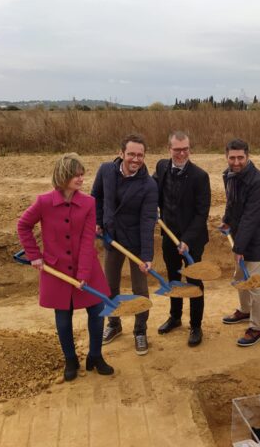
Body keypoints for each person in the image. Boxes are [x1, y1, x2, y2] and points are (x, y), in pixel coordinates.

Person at [17, 153, 114, 381]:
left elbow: (88, 239)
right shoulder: (44, 202)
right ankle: (70, 360)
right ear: (63, 176)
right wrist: (34, 255)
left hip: (86, 266)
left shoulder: (89, 203)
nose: (81, 179)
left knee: (98, 312)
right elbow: (23, 226)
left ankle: (95, 356)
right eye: (76, 175)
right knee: (63, 317)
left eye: (82, 175)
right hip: (56, 269)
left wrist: (83, 273)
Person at [91, 134, 158, 355]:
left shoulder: (148, 185)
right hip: (112, 238)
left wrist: (147, 256)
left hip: (137, 242)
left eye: (140, 155)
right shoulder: (106, 171)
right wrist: (98, 222)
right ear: (121, 154)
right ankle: (114, 324)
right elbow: (96, 198)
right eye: (131, 154)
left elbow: (148, 220)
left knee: (140, 289)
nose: (135, 159)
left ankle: (140, 331)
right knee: (109, 285)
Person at [153, 131, 211, 347]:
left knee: (194, 281)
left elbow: (201, 213)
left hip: (192, 239)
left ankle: (196, 325)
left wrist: (186, 239)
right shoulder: (161, 167)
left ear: (190, 149)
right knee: (173, 277)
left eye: (185, 148)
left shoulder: (200, 176)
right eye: (177, 149)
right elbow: (152, 191)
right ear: (169, 150)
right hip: (169, 235)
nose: (181, 153)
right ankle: (175, 317)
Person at [220, 139, 260, 347]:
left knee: (255, 285)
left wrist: (239, 247)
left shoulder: (258, 182)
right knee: (240, 275)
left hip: (257, 238)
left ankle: (256, 328)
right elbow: (231, 201)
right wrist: (226, 220)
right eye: (232, 157)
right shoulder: (229, 175)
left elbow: (252, 218)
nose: (236, 162)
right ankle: (244, 311)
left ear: (247, 156)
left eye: (240, 157)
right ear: (227, 157)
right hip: (240, 234)